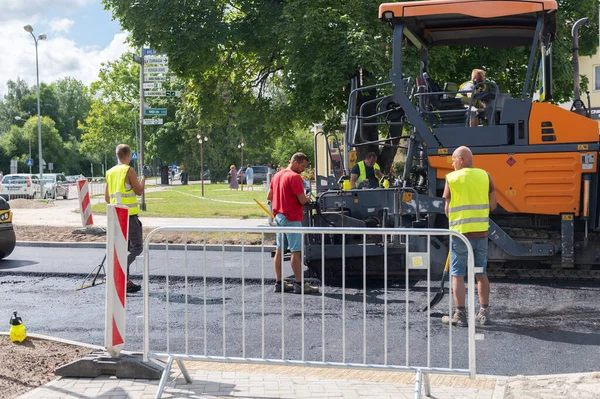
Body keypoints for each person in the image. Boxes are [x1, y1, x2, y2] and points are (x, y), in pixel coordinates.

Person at [442, 146, 497, 327]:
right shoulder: (486, 176)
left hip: (460, 235)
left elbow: (447, 211)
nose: (452, 163)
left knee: (457, 274)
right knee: (480, 273)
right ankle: (484, 313)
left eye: (453, 159)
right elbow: (493, 205)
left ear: (462, 160)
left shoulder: (451, 178)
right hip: (481, 233)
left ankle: (460, 315)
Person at [267, 152, 319, 295]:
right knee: (296, 251)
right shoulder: (295, 177)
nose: (303, 169)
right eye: (303, 166)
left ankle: (279, 282)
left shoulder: (277, 175)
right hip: (292, 218)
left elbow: (269, 196)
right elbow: (302, 200)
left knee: (280, 249)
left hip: (279, 217)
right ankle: (300, 284)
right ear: (295, 162)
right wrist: (307, 198)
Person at [104, 144, 150, 294]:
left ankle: (125, 281)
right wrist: (144, 177)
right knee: (137, 248)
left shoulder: (110, 172)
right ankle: (119, 270)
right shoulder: (128, 170)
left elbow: (106, 197)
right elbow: (139, 191)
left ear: (117, 155)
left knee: (125, 248)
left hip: (116, 216)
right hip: (130, 216)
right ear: (128, 155)